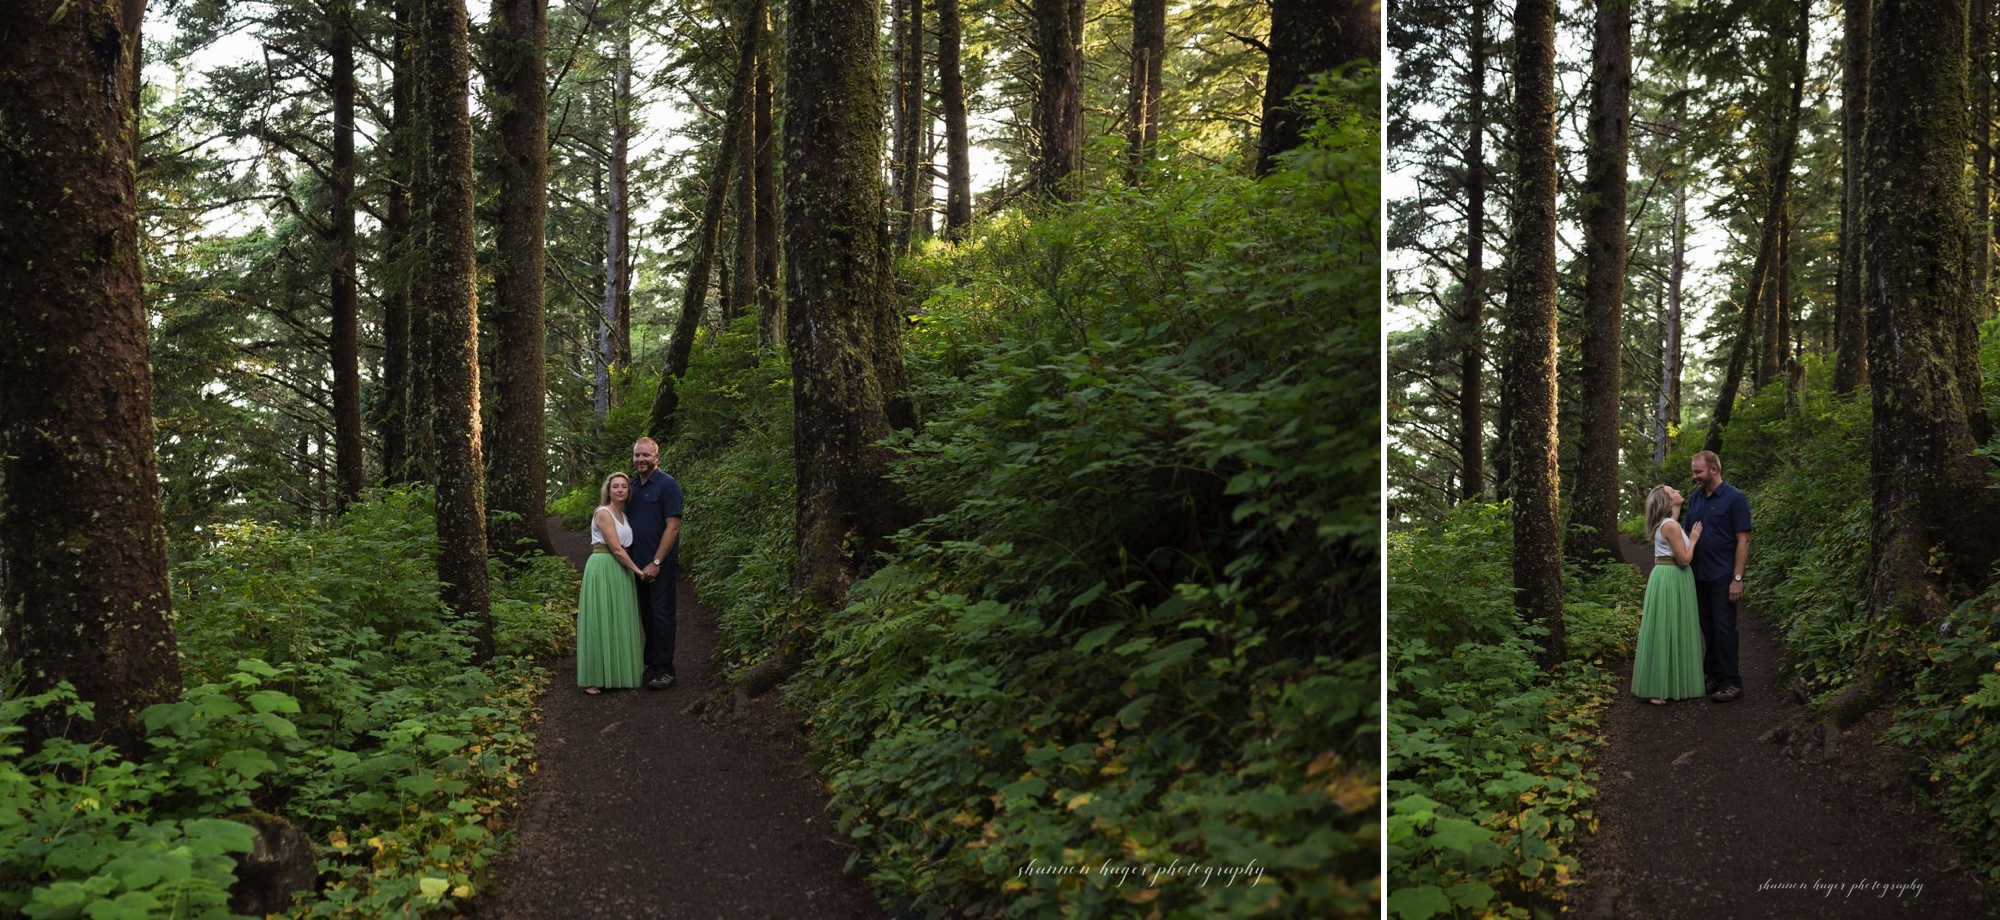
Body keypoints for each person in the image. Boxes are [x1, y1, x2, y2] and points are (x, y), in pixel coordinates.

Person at [1685, 450, 1751, 703]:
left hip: (1722, 575)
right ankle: (1712, 675)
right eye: (1694, 471)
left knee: (1724, 627)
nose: (1694, 476)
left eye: (1698, 471)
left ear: (1713, 470)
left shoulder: (1735, 498)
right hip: (1698, 575)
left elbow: (1743, 540)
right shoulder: (1695, 498)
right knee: (1708, 628)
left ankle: (1732, 681)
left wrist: (1737, 578)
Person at [1632, 485, 1705, 705]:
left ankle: (1668, 683)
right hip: (1672, 576)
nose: (1677, 491)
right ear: (1667, 500)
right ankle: (1658, 687)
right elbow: (1683, 560)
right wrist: (1693, 540)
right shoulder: (1671, 525)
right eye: (1673, 491)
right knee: (1666, 628)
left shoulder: (1668, 524)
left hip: (1670, 576)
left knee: (1669, 627)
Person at [578, 472, 647, 694]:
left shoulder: (624, 516)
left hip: (620, 568)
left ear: (628, 492)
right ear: (608, 490)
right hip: (604, 565)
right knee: (600, 619)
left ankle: (618, 672)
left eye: (624, 487)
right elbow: (616, 548)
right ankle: (593, 677)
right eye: (615, 486)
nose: (619, 489)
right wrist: (638, 571)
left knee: (619, 618)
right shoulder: (604, 513)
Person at [626, 437, 684, 690]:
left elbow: (673, 528)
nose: (641, 460)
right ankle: (651, 663)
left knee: (662, 615)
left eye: (646, 455)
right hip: (635, 566)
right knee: (644, 616)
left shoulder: (668, 486)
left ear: (656, 457)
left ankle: (666, 669)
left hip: (661, 565)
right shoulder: (630, 488)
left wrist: (657, 562)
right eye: (637, 455)